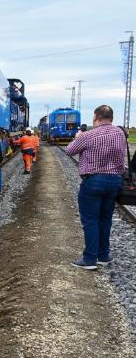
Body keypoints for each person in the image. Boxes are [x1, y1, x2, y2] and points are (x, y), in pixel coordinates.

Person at [66, 105, 127, 270]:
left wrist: (78, 137)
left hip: (93, 180)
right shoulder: (120, 133)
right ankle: (103, 256)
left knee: (90, 220)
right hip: (114, 180)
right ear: (111, 117)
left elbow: (69, 151)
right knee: (105, 219)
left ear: (95, 116)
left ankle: (90, 259)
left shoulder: (88, 135)